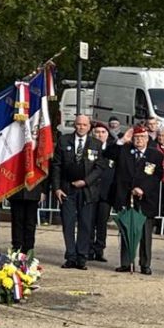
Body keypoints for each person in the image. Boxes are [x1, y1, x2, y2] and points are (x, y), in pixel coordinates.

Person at [104, 126, 161, 274]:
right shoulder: (124, 151)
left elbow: (156, 176)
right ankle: (126, 262)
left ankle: (145, 264)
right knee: (126, 231)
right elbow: (108, 153)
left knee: (145, 234)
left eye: (142, 137)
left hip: (145, 199)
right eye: (136, 137)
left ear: (147, 139)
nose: (139, 140)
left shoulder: (155, 155)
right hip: (126, 197)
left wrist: (143, 189)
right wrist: (123, 140)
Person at [51, 114, 102, 269]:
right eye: (78, 124)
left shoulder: (96, 144)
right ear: (75, 125)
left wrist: (85, 182)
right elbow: (56, 165)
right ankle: (71, 256)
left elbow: (99, 168)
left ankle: (82, 257)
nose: (81, 127)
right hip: (67, 189)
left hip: (87, 190)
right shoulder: (64, 140)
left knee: (85, 224)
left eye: (84, 125)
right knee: (68, 223)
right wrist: (57, 187)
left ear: (89, 126)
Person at [88, 121, 115, 262]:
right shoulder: (89, 147)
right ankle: (88, 249)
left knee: (102, 223)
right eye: (97, 132)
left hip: (106, 192)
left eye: (103, 132)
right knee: (89, 221)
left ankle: (99, 249)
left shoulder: (111, 149)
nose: (100, 135)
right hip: (91, 191)